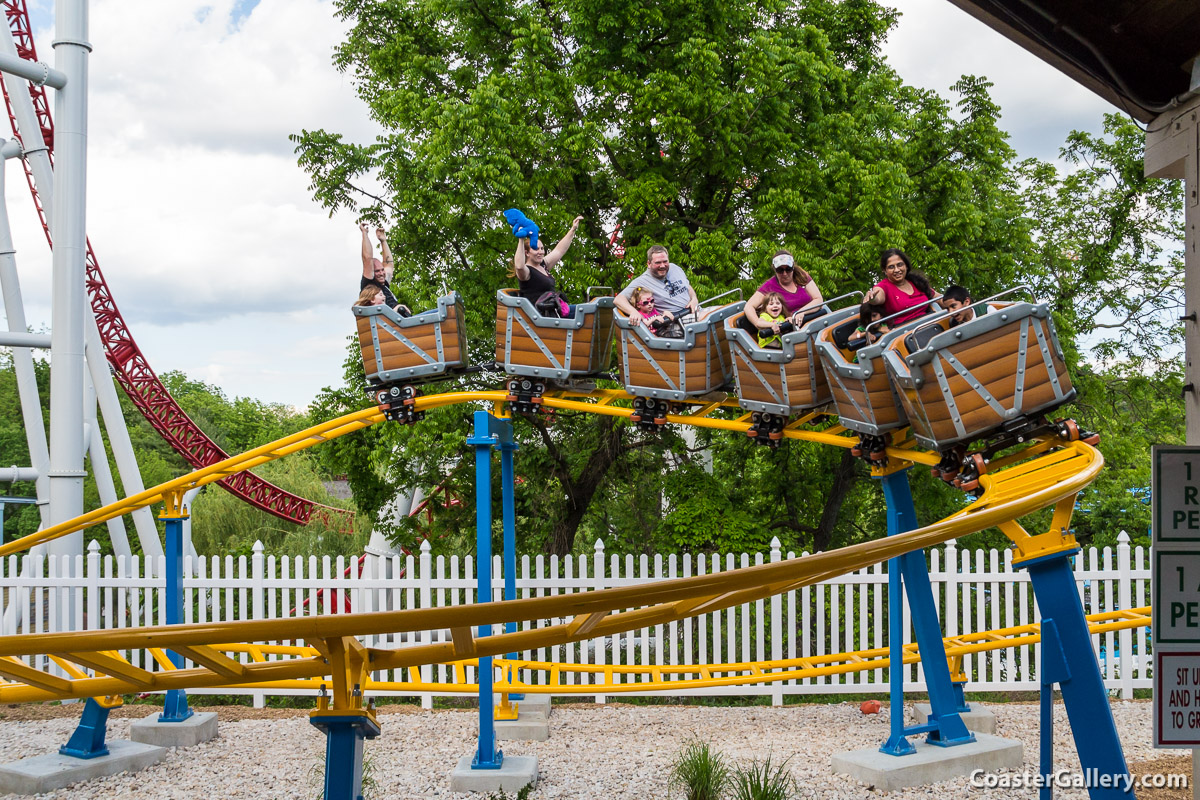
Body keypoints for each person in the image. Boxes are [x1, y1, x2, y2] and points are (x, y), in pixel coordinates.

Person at [511, 214, 584, 316]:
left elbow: (559, 250)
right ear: (527, 253)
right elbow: (519, 266)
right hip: (541, 316)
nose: (540, 252)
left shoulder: (543, 265)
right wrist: (521, 239)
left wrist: (573, 229)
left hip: (554, 310)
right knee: (585, 312)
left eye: (542, 248)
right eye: (536, 249)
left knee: (587, 309)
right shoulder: (527, 272)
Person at [743, 250, 824, 336]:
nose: (785, 274)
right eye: (780, 270)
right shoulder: (769, 286)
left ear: (793, 267)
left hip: (816, 319)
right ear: (775, 269)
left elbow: (818, 299)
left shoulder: (802, 276)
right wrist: (758, 323)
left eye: (788, 269)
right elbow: (749, 306)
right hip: (795, 329)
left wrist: (801, 312)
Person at [614, 245, 700, 325]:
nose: (662, 266)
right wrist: (634, 312)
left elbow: (687, 287)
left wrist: (694, 299)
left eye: (665, 261)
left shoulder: (674, 268)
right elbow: (618, 299)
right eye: (658, 263)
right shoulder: (642, 281)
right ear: (649, 264)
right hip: (676, 320)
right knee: (710, 318)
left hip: (695, 311)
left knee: (712, 313)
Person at [864, 248, 933, 326]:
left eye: (900, 265)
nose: (896, 270)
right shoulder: (883, 286)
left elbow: (940, 298)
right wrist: (873, 298)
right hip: (903, 332)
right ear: (884, 270)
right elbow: (878, 297)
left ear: (906, 266)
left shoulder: (916, 281)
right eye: (891, 267)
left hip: (929, 323)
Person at [359, 223, 411, 316]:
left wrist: (383, 241)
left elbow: (389, 263)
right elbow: (367, 259)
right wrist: (364, 234)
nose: (381, 273)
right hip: (393, 325)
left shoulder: (384, 284)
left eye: (382, 270)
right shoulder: (369, 285)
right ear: (371, 272)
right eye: (377, 271)